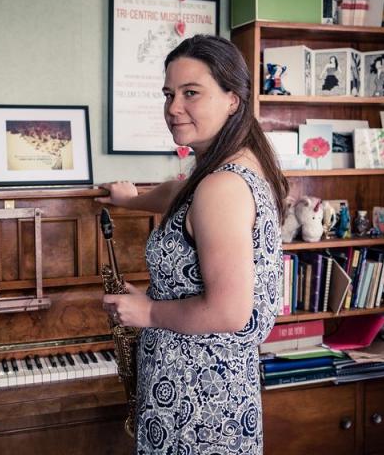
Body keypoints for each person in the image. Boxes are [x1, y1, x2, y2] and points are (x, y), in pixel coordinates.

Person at [98, 35, 288, 454]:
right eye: (169, 94)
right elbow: (178, 193)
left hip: (196, 401)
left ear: (232, 100)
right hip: (213, 389)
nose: (173, 108)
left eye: (191, 93)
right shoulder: (234, 164)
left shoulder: (222, 186)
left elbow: (227, 311)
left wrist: (147, 310)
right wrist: (131, 200)